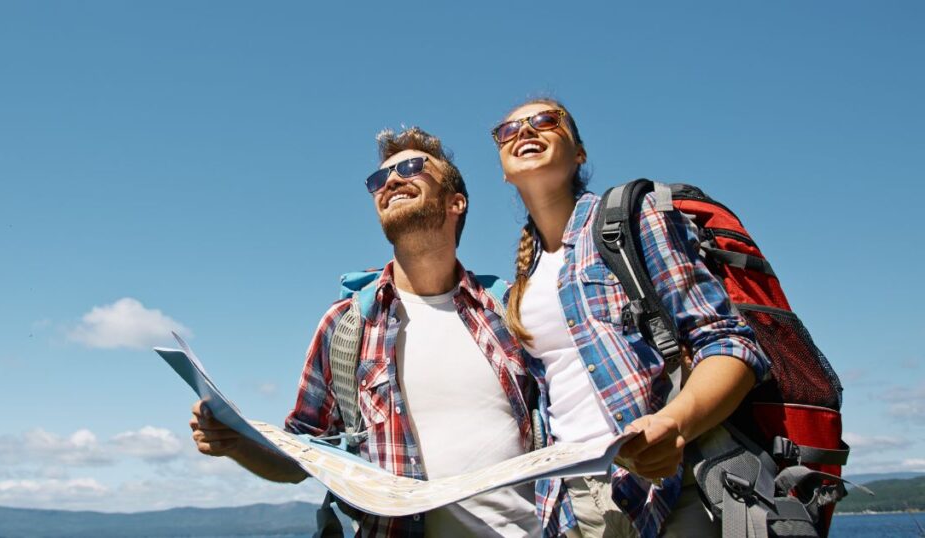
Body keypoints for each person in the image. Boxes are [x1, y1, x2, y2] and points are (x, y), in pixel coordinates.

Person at [190, 126, 541, 537]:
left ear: (455, 202)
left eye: (411, 167)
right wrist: (237, 443)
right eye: (378, 179)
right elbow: (301, 458)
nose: (389, 181)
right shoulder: (344, 325)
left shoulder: (512, 311)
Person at [493, 98, 772, 538]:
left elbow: (730, 343)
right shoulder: (519, 286)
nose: (525, 131)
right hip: (571, 500)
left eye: (545, 120)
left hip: (669, 485)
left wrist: (674, 423)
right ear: (504, 167)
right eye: (508, 130)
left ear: (579, 152)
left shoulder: (629, 221)